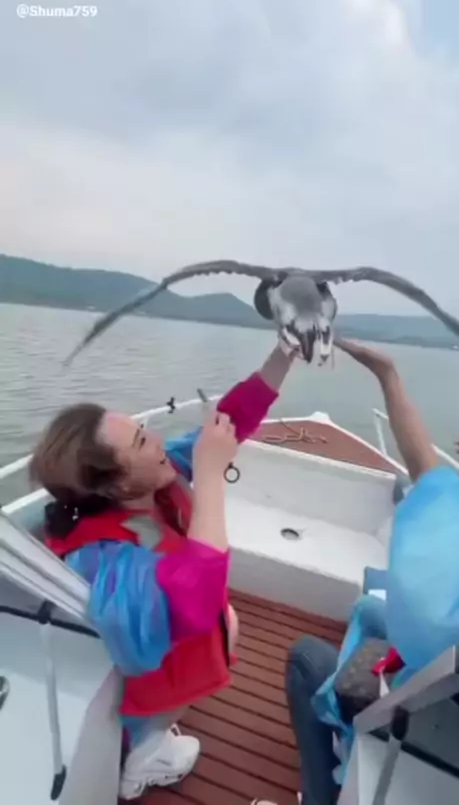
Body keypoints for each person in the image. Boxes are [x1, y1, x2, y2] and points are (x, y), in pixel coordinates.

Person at [30, 342, 297, 800]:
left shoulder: (151, 479)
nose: (156, 441)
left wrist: (285, 354)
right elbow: (192, 604)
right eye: (140, 441)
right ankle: (141, 757)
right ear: (113, 484)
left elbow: (229, 421)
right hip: (138, 679)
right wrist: (209, 476)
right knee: (221, 625)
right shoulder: (104, 556)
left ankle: (153, 729)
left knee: (228, 621)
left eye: (144, 429)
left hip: (159, 643)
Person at [286, 337, 441, 805]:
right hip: (449, 703)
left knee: (307, 658)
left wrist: (387, 375)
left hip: (421, 716)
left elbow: (427, 476)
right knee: (372, 594)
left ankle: (323, 788)